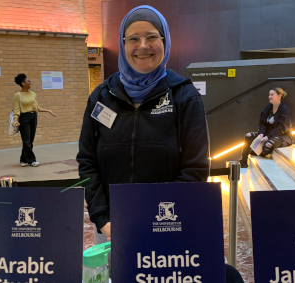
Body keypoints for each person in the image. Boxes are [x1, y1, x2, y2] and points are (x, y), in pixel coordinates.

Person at [77, 5, 210, 241]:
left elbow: (196, 168)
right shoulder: (101, 96)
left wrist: (159, 218)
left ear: (165, 41)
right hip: (112, 227)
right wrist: (102, 219)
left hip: (168, 223)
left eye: (151, 37)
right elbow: (87, 163)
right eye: (133, 39)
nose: (143, 46)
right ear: (122, 43)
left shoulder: (184, 96)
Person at [239, 87, 294, 168]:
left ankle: (258, 151)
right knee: (248, 136)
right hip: (268, 134)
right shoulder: (268, 108)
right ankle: (243, 161)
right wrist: (261, 134)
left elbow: (282, 127)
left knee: (268, 144)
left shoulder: (284, 108)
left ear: (279, 96)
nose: (269, 97)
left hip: (282, 136)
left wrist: (268, 137)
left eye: (272, 95)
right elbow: (262, 123)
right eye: (269, 95)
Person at [13, 74, 56, 167]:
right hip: (24, 118)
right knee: (26, 140)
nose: (30, 82)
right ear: (23, 83)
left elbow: (36, 107)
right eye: (28, 81)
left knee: (30, 140)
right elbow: (16, 109)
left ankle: (23, 160)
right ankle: (32, 160)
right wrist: (15, 120)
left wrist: (48, 110)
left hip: (33, 117)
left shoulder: (32, 93)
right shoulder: (18, 95)